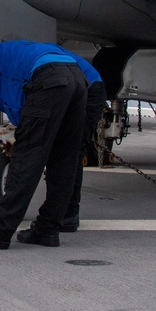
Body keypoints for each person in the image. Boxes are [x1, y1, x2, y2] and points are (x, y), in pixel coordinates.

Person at [0, 41, 87, 249]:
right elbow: (22, 105)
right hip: (78, 81)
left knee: (27, 158)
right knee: (64, 160)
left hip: (49, 79)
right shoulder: (15, 55)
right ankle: (47, 229)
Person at [63, 56, 107, 233]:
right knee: (67, 152)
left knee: (72, 151)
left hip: (90, 90)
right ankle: (64, 210)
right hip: (80, 87)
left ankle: (70, 213)